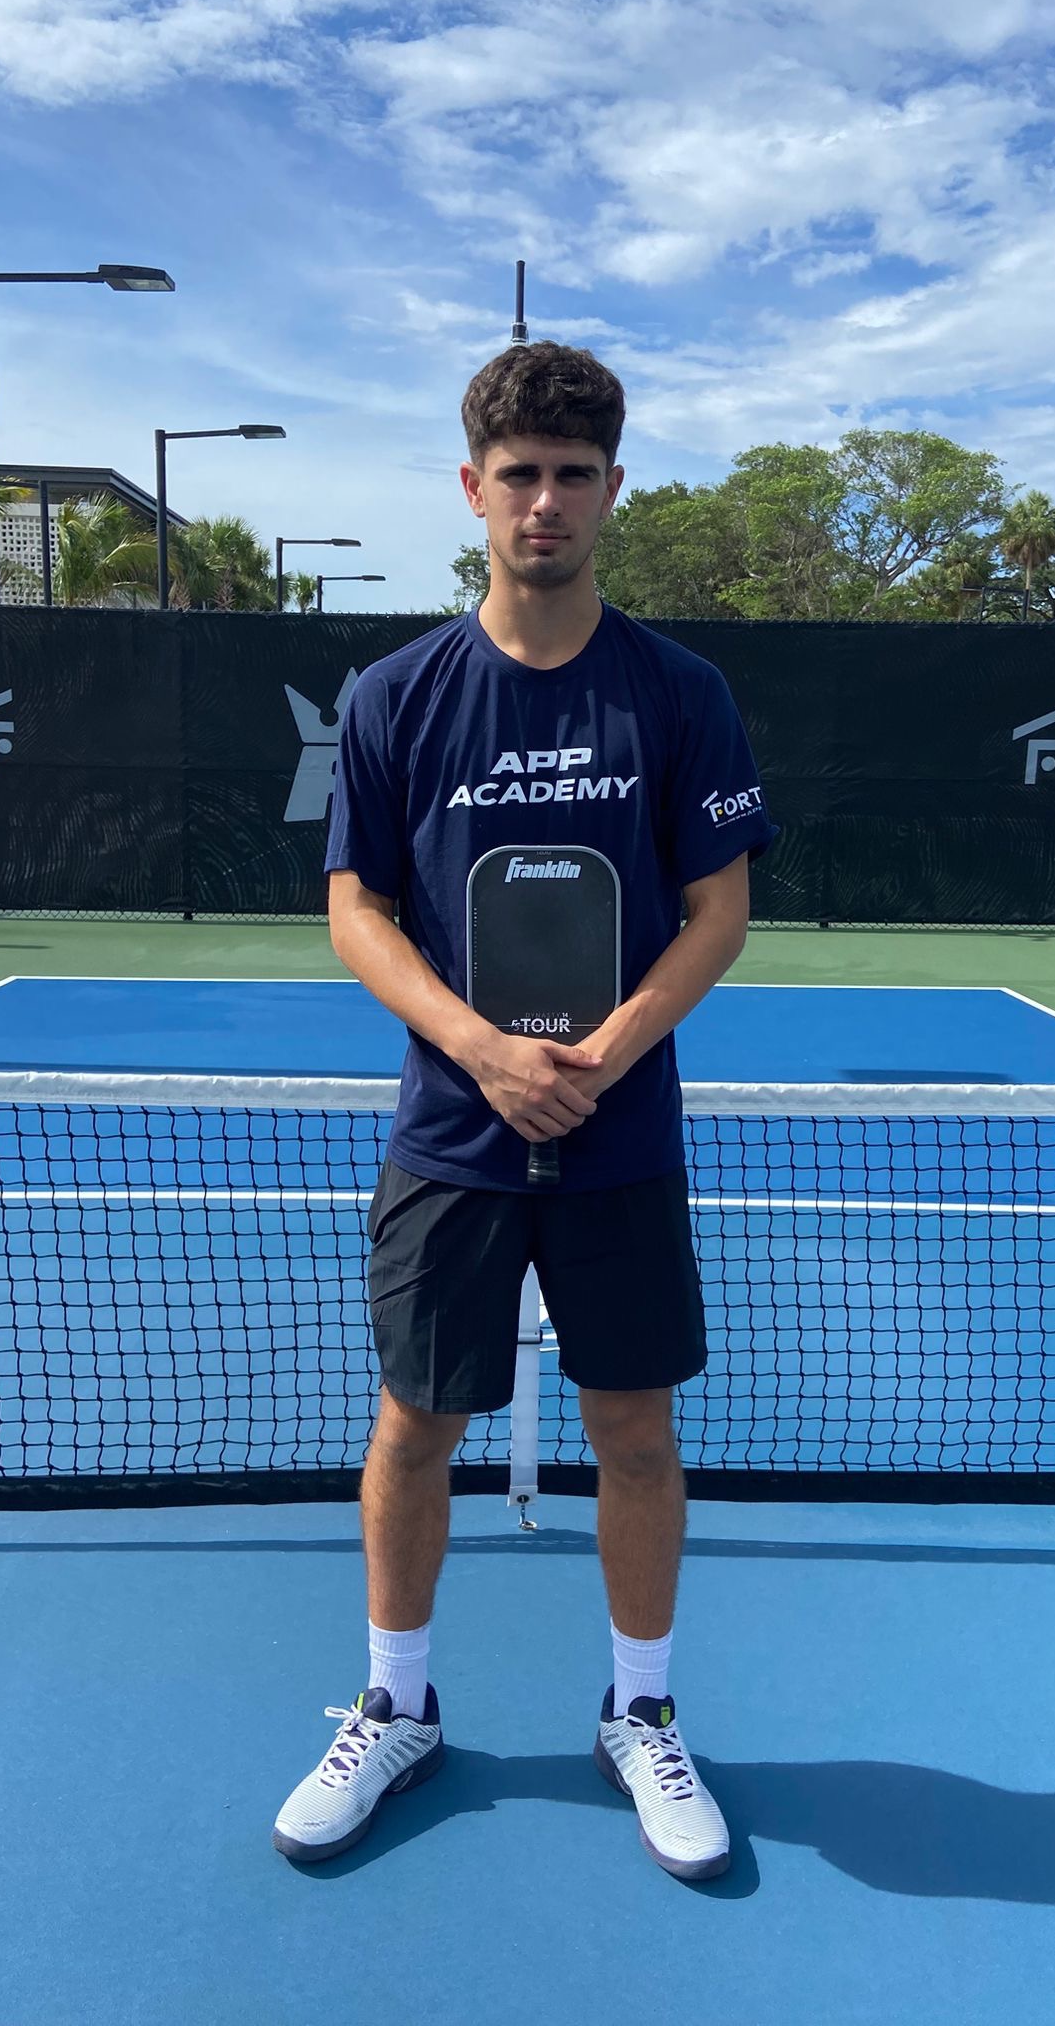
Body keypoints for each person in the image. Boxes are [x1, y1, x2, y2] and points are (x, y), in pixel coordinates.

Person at [273, 340, 775, 1879]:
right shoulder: (395, 696)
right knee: (415, 1424)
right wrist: (484, 1052)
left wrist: (603, 1054)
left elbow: (719, 910)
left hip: (620, 1138)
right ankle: (397, 1707)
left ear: (612, 489)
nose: (543, 500)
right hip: (454, 1136)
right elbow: (357, 910)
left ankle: (642, 1712)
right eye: (518, 474)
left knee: (635, 1429)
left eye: (571, 474)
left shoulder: (680, 694)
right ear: (473, 488)